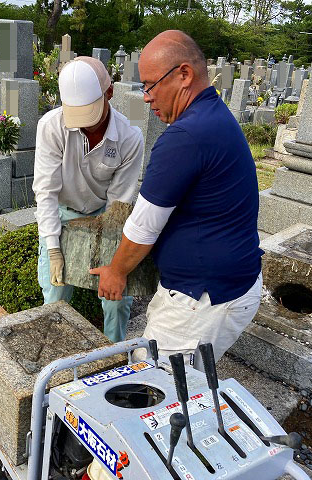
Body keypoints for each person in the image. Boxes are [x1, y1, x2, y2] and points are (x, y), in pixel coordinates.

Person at [89, 31, 263, 370]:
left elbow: (144, 225)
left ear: (183, 75)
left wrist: (116, 271)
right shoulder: (212, 115)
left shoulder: (184, 137)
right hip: (225, 285)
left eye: (151, 85)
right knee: (182, 383)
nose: (146, 97)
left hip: (202, 298)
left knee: (158, 384)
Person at [33, 56, 144, 343]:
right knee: (55, 297)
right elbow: (45, 191)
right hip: (63, 215)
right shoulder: (51, 126)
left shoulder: (130, 138)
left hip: (106, 216)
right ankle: (55, 363)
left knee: (116, 298)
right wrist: (53, 248)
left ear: (109, 93)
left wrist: (113, 263)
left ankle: (115, 356)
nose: (85, 127)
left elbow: (119, 204)